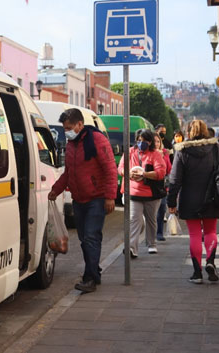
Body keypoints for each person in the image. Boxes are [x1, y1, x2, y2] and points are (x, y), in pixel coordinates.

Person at [48, 108, 117, 293]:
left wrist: (111, 196)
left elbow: (111, 169)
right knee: (84, 239)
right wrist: (56, 189)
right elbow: (69, 172)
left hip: (96, 198)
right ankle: (94, 271)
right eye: (64, 128)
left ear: (80, 124)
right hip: (79, 199)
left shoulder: (97, 140)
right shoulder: (71, 144)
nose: (67, 131)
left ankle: (89, 278)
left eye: (69, 127)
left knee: (91, 237)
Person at [168, 120, 219, 283]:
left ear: (189, 132)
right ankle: (210, 262)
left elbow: (175, 179)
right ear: (206, 131)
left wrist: (171, 202)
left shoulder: (182, 150)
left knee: (195, 234)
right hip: (211, 197)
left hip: (189, 199)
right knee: (211, 232)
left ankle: (197, 273)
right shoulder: (215, 148)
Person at [118, 129, 166, 257]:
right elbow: (120, 168)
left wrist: (144, 174)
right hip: (134, 192)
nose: (141, 143)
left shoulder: (155, 155)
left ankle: (151, 244)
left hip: (151, 194)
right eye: (139, 140)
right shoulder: (130, 152)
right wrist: (128, 173)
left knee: (151, 220)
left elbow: (161, 173)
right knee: (134, 219)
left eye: (145, 141)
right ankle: (132, 248)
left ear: (150, 142)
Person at [154, 132, 172, 241]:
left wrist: (164, 157)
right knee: (151, 212)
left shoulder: (165, 153)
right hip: (150, 186)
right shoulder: (148, 153)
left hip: (162, 186)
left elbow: (169, 169)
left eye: (158, 141)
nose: (156, 143)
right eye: (154, 141)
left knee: (162, 208)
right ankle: (151, 233)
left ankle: (159, 232)